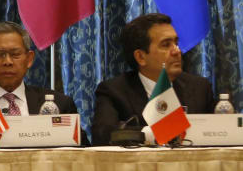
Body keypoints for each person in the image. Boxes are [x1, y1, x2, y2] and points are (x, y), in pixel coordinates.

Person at [91, 13, 214, 145]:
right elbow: (103, 135)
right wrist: (155, 134)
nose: (177, 51)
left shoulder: (199, 88)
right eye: (166, 45)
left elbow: (221, 134)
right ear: (141, 57)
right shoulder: (114, 91)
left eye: (176, 43)